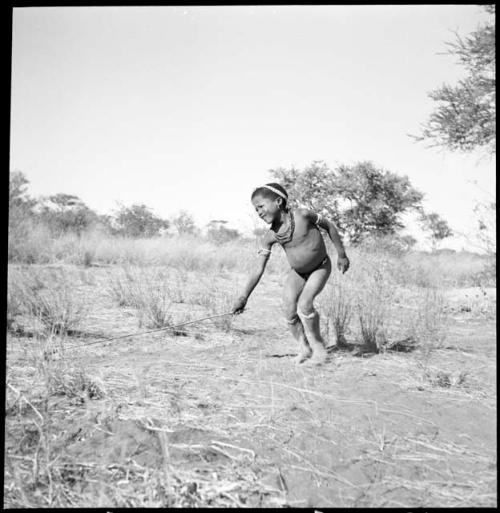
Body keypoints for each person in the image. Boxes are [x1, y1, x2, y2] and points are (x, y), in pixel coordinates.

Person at [232, 183, 350, 365]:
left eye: (261, 206)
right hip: (298, 273)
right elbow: (258, 268)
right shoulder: (270, 237)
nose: (259, 213)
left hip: (320, 266)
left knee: (305, 304)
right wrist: (243, 297)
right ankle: (304, 348)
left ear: (278, 201)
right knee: (288, 309)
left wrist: (341, 255)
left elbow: (329, 226)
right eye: (256, 210)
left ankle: (319, 351)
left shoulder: (302, 215)